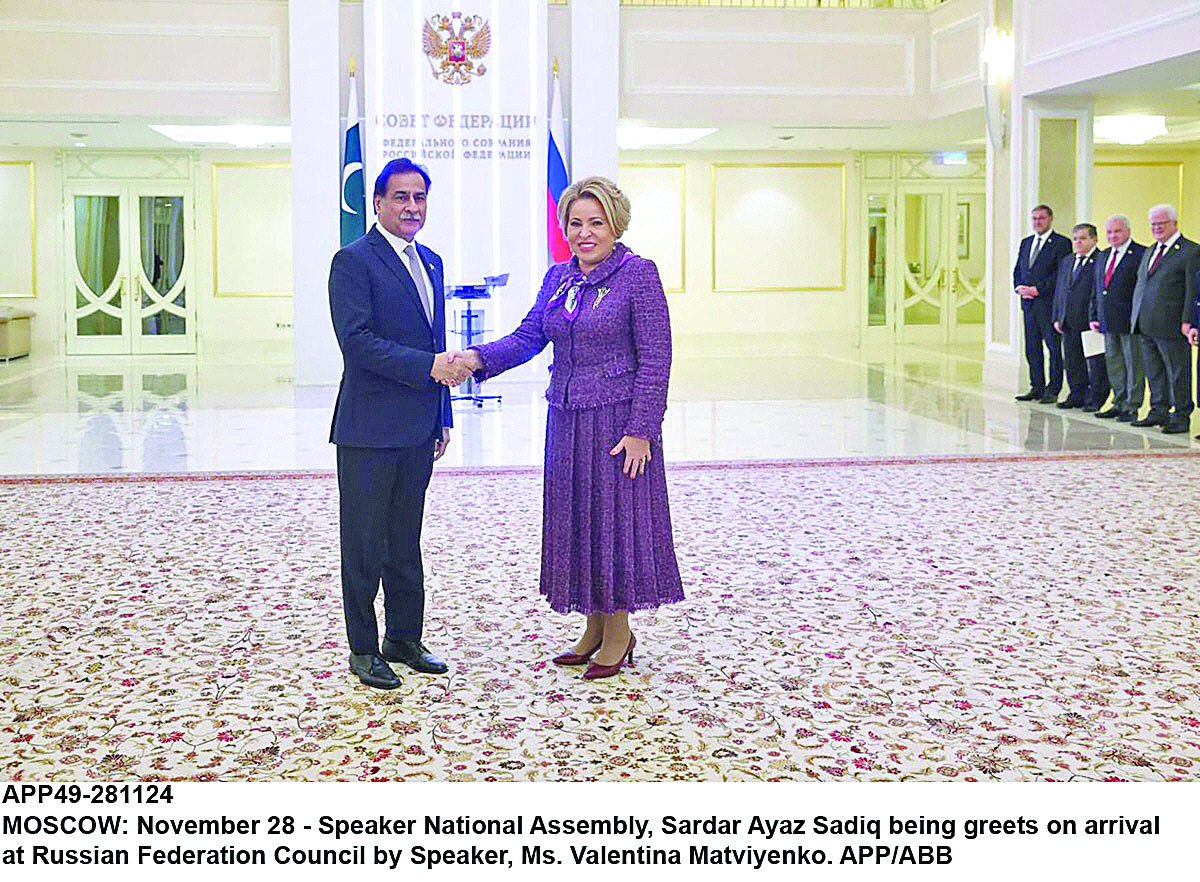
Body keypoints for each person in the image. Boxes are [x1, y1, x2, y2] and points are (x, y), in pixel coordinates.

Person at [450, 176, 684, 680]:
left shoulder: (638, 275)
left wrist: (643, 427)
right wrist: (474, 358)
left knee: (615, 524)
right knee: (580, 522)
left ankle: (619, 631)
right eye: (575, 223)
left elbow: (656, 357)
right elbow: (529, 336)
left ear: (615, 224)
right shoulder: (558, 278)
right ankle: (595, 627)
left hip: (619, 425)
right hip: (567, 421)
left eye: (595, 223)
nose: (584, 233)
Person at [327, 158, 470, 689]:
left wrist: (442, 414)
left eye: (420, 198)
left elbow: (436, 342)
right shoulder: (353, 262)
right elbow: (357, 343)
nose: (412, 207)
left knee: (405, 540)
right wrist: (428, 369)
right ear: (379, 204)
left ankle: (404, 637)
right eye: (402, 197)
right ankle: (364, 649)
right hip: (367, 430)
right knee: (364, 545)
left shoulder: (430, 260)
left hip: (417, 428)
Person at [1129, 204, 1200, 434]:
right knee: (1154, 370)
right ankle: (1158, 410)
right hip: (1146, 322)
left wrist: (1188, 320)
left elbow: (1192, 290)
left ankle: (1181, 415)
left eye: (1161, 223)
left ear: (1174, 223)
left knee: (1177, 371)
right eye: (1153, 224)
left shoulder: (1190, 251)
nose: (1156, 228)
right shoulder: (1150, 250)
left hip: (1172, 324)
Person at [1089, 215, 1146, 421]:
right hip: (1107, 319)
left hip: (1130, 321)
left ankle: (1132, 406)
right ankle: (1118, 401)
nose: (1113, 236)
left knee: (1133, 364)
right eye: (1109, 232)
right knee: (1114, 362)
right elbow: (1097, 288)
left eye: (1117, 231)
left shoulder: (1141, 253)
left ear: (1128, 231)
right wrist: (1094, 314)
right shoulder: (1104, 255)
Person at [1013, 205, 1072, 403]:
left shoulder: (1061, 243)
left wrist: (1039, 289)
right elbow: (1018, 269)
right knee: (1032, 347)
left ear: (1050, 219)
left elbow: (1061, 274)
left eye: (1041, 218)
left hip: (1048, 304)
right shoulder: (1026, 242)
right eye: (1034, 218)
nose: (1038, 222)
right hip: (1028, 304)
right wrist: (1019, 288)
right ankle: (1036, 386)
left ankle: (1053, 389)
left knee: (1054, 348)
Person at [1052, 223, 1101, 409]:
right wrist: (1057, 316)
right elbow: (1060, 290)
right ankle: (1076, 393)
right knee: (1072, 361)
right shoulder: (1068, 261)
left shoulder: (1100, 259)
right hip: (1068, 320)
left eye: (1082, 238)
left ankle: (1094, 397)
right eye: (1075, 239)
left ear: (1094, 239)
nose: (1078, 242)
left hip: (1088, 321)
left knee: (1094, 363)